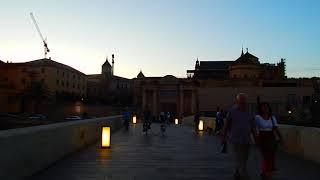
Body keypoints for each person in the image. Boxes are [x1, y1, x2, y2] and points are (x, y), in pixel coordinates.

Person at [222, 93, 258, 180]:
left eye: (244, 101)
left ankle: (237, 172)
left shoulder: (250, 112)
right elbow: (226, 125)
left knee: (245, 158)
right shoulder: (232, 111)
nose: (243, 102)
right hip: (235, 139)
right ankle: (243, 174)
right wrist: (223, 137)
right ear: (237, 101)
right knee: (238, 158)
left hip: (247, 139)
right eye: (241, 100)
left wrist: (256, 138)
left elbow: (253, 126)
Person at [255, 102, 283, 180]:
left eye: (266, 107)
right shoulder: (258, 117)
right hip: (262, 138)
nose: (265, 108)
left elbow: (276, 128)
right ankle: (268, 173)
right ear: (260, 108)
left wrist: (281, 138)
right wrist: (256, 139)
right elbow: (255, 129)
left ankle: (265, 171)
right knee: (265, 156)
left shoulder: (272, 118)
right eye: (263, 107)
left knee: (271, 156)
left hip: (271, 138)